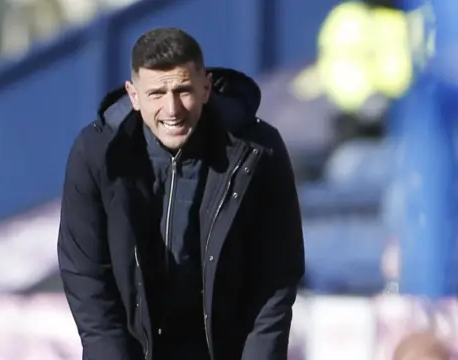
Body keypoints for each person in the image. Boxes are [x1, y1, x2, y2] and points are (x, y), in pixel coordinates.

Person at [57, 27, 304, 360]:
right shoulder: (96, 154)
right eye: (157, 93)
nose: (172, 109)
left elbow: (276, 276)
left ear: (206, 87)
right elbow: (86, 277)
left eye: (183, 90)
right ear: (133, 95)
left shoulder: (259, 151)